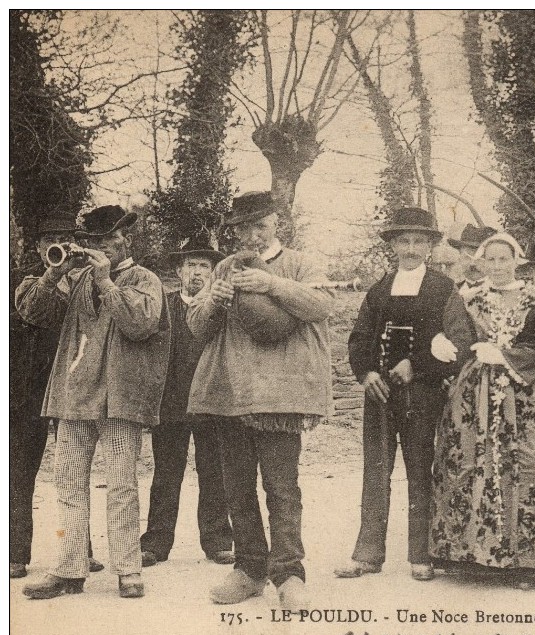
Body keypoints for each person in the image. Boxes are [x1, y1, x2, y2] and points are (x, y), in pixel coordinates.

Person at [187, 192, 334, 609]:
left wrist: (272, 283)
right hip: (230, 393)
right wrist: (213, 300)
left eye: (261, 226)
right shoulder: (223, 267)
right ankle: (250, 571)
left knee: (282, 487)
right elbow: (197, 326)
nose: (252, 235)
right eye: (243, 228)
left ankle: (289, 573)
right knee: (237, 488)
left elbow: (323, 305)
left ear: (277, 225)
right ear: (233, 232)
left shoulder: (301, 263)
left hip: (280, 397)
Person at [18, 205, 170, 599]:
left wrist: (105, 281)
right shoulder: (77, 277)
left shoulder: (145, 279)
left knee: (121, 485)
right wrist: (54, 272)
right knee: (67, 483)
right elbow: (34, 312)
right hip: (74, 395)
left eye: (108, 241)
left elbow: (140, 324)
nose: (101, 248)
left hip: (120, 397)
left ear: (126, 241)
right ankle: (70, 568)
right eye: (95, 242)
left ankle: (127, 570)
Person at [428, 232, 535, 582]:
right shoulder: (467, 299)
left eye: (503, 259)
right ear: (481, 263)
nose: (496, 266)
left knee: (529, 464)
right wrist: (439, 340)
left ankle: (527, 557)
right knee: (468, 462)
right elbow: (459, 337)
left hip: (526, 394)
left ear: (516, 261)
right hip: (475, 394)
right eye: (490, 260)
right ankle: (472, 554)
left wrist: (506, 356)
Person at [337, 208, 455, 582]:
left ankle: (423, 553)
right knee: (376, 471)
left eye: (419, 241)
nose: (410, 248)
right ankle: (368, 554)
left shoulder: (443, 289)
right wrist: (366, 372)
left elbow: (456, 342)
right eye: (403, 241)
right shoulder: (379, 288)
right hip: (380, 394)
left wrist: (417, 365)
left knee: (421, 470)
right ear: (392, 245)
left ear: (430, 246)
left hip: (423, 394)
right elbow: (358, 338)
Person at [11, 215, 104, 580]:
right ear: (38, 248)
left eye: (67, 240)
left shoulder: (88, 280)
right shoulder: (28, 282)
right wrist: (55, 272)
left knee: (74, 470)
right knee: (19, 472)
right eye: (51, 241)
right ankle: (14, 553)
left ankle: (80, 549)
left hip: (71, 385)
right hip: (28, 391)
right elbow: (31, 308)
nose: (59, 247)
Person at [140, 241, 234, 568]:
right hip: (169, 405)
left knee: (214, 473)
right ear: (178, 270)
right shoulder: (161, 306)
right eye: (190, 265)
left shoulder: (220, 309)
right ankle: (155, 543)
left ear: (213, 273)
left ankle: (218, 541)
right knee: (166, 475)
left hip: (211, 404)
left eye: (204, 266)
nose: (196, 272)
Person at [447, 222, 497, 291]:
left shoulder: (503, 293)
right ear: (460, 258)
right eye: (467, 257)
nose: (472, 264)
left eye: (480, 258)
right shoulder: (451, 292)